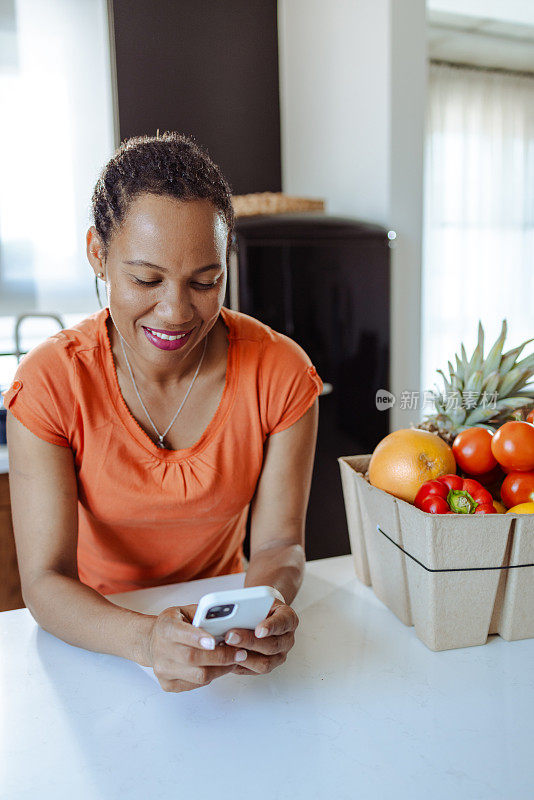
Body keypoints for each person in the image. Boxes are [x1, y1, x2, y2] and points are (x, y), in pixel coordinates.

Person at [3, 132, 323, 694]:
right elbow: (45, 581)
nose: (175, 312)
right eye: (145, 279)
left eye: (206, 281)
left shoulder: (281, 372)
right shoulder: (52, 381)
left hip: (226, 623)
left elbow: (279, 546)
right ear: (97, 254)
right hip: (100, 636)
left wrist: (266, 604)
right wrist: (145, 639)